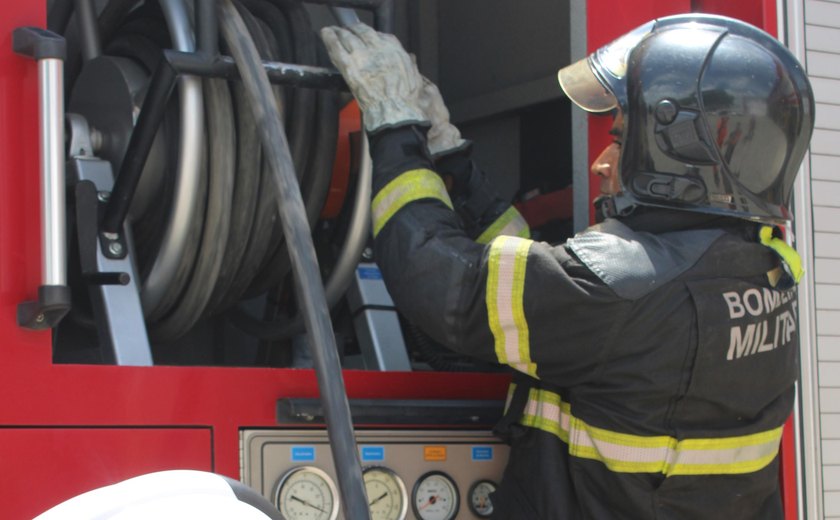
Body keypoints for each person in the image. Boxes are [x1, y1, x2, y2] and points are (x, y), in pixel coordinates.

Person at [322, 13, 813, 519]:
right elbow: (539, 282)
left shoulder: (620, 289)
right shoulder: (763, 273)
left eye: (621, 140)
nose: (601, 162)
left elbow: (437, 277)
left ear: (680, 153)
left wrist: (393, 127)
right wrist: (453, 161)